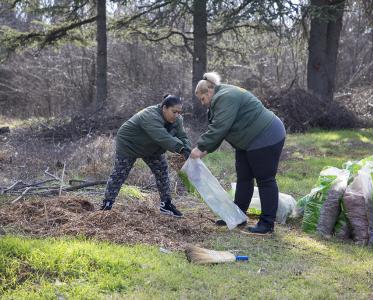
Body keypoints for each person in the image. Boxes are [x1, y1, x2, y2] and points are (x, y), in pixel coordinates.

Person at [190, 72, 286, 234]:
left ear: (209, 92)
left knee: (265, 179)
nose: (203, 103)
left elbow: (220, 126)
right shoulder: (221, 97)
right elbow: (220, 129)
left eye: (202, 99)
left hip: (266, 135)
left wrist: (200, 147)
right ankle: (238, 216)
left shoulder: (225, 97)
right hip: (247, 141)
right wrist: (206, 149)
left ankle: (267, 224)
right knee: (244, 177)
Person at [101, 95, 191, 217]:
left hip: (152, 147)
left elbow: (182, 136)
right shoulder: (150, 115)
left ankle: (166, 205)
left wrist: (187, 150)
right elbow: (162, 137)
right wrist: (180, 148)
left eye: (179, 112)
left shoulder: (177, 119)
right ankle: (107, 205)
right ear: (164, 108)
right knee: (119, 174)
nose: (176, 115)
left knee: (162, 171)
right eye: (174, 112)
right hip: (130, 144)